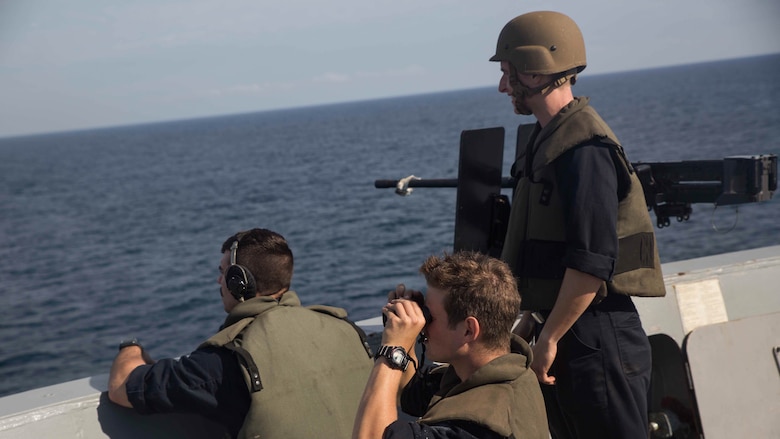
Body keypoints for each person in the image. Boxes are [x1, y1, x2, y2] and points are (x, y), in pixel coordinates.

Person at [490, 10, 667, 439]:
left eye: (507, 73)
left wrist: (548, 339)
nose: (502, 86)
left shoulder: (583, 149)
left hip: (596, 335)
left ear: (535, 73)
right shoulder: (551, 140)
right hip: (575, 330)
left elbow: (592, 262)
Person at [108, 228, 374, 439]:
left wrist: (130, 347)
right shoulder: (345, 329)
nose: (218, 282)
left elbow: (122, 388)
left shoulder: (224, 360)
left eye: (223, 273)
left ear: (239, 281)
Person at [352, 251, 549, 439]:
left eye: (431, 316)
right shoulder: (500, 372)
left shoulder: (478, 427)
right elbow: (411, 395)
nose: (423, 325)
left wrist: (392, 349)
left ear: (468, 330)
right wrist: (407, 337)